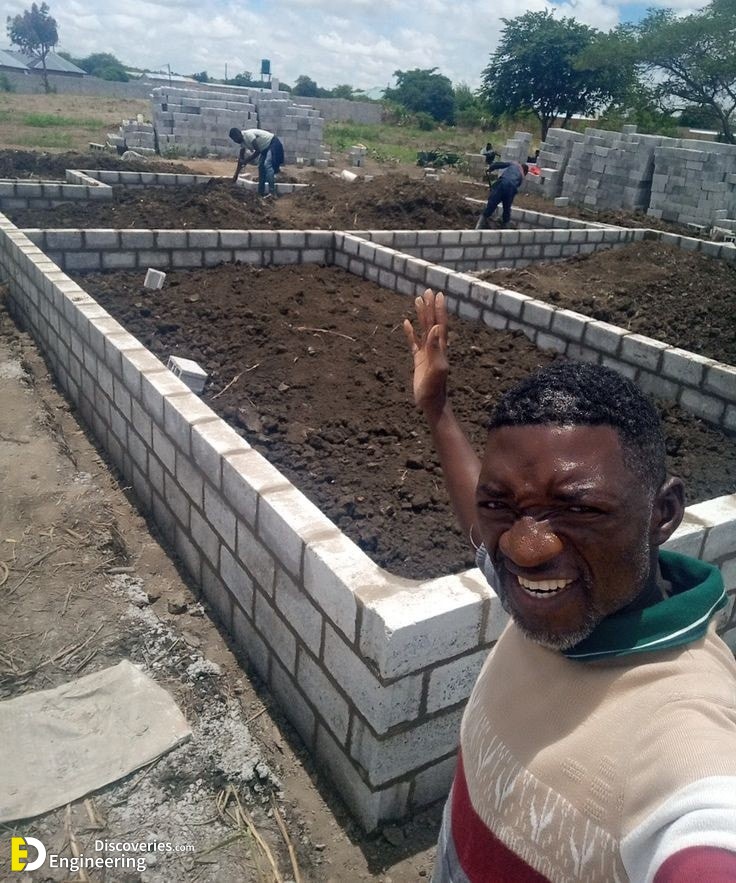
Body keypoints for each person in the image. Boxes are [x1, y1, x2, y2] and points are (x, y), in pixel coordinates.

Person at [403, 289, 736, 883]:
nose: (525, 549)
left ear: (663, 514)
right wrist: (439, 411)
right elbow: (483, 522)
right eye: (503, 507)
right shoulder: (553, 595)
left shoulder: (687, 723)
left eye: (579, 509)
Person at [229, 127, 285, 197]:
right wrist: (235, 176)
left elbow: (257, 151)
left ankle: (272, 193)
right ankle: (260, 193)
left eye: (235, 139)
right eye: (234, 140)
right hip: (264, 149)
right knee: (261, 166)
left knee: (267, 165)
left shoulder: (248, 135)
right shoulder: (242, 143)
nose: (235, 141)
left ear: (239, 134)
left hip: (272, 143)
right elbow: (240, 161)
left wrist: (246, 161)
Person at [475, 161, 528, 230]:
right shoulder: (521, 177)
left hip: (502, 184)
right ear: (525, 171)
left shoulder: (514, 164)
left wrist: (491, 167)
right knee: (507, 209)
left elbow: (500, 164)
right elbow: (513, 187)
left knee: (492, 204)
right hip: (511, 190)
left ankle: (479, 225)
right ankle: (505, 227)